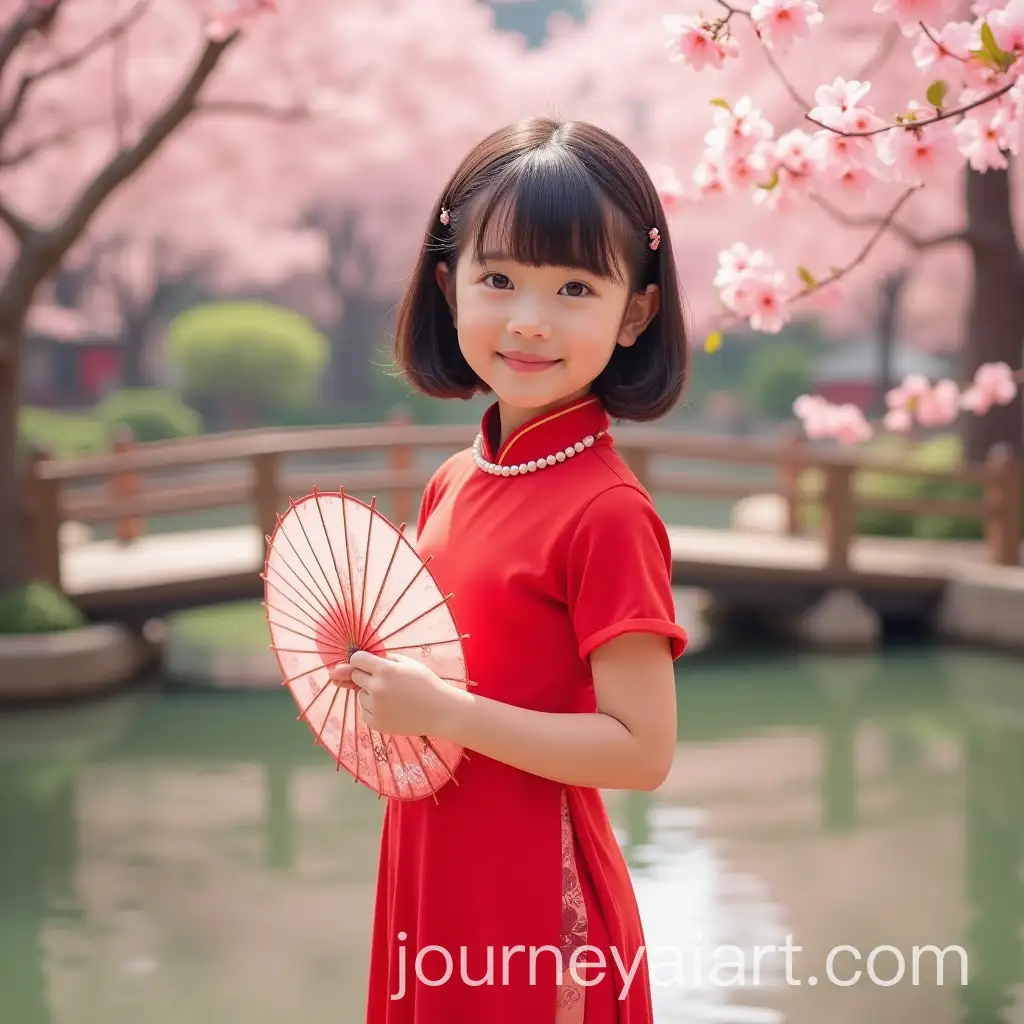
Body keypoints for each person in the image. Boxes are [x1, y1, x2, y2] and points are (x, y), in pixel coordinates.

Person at [330, 116, 690, 1023]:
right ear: (448, 287)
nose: (528, 320)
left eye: (575, 286)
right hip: (431, 853)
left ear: (635, 310)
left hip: (533, 886)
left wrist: (446, 713)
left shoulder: (608, 513)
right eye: (498, 280)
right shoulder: (457, 478)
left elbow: (643, 751)